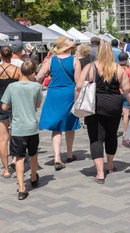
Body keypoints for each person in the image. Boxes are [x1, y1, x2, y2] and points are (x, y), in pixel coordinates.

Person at [76, 42, 130, 184]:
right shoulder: (119, 69)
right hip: (114, 105)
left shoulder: (90, 68)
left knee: (96, 138)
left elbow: (78, 86)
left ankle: (100, 173)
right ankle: (110, 164)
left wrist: (77, 103)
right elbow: (127, 91)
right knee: (111, 135)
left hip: (95, 105)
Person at [36, 37, 81, 171]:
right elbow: (78, 83)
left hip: (54, 94)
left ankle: (56, 157)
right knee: (70, 125)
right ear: (68, 48)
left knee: (56, 127)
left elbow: (38, 77)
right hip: (69, 94)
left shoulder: (51, 61)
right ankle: (69, 153)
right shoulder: (74, 60)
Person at [1, 60, 43, 200]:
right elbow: (37, 105)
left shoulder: (12, 87)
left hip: (18, 128)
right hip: (32, 126)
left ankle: (21, 187)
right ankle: (33, 176)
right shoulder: (37, 87)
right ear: (32, 73)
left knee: (19, 157)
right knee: (33, 154)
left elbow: (4, 107)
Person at [0, 46, 22, 178]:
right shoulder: (17, 70)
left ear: (0, 56)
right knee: (16, 134)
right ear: (11, 55)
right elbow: (21, 89)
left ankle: (6, 169)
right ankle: (15, 159)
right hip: (14, 104)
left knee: (2, 139)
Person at [119, 52, 130, 134]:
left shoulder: (116, 69)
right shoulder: (129, 70)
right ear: (127, 60)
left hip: (117, 93)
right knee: (126, 113)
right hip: (126, 93)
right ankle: (125, 132)